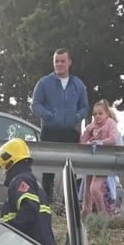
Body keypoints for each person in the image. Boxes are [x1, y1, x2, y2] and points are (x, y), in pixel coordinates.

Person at [30, 48, 89, 200]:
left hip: (70, 133)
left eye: (63, 61)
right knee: (47, 172)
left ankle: (70, 204)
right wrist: (48, 115)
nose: (59, 64)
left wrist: (77, 116)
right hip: (50, 131)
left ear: (69, 62)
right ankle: (47, 203)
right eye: (56, 61)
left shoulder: (78, 84)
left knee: (71, 171)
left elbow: (85, 107)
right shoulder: (44, 83)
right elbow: (35, 105)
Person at [0, 139, 56, 245]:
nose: (3, 170)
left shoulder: (21, 180)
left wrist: (7, 230)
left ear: (9, 162)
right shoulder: (33, 182)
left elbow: (30, 209)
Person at [78, 100, 121, 216]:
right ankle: (86, 210)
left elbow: (114, 139)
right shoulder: (92, 126)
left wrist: (100, 142)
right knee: (87, 186)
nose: (97, 116)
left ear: (107, 113)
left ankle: (103, 212)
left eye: (100, 113)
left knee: (94, 188)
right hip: (92, 160)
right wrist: (88, 132)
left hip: (105, 161)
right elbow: (82, 141)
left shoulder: (110, 123)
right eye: (94, 114)